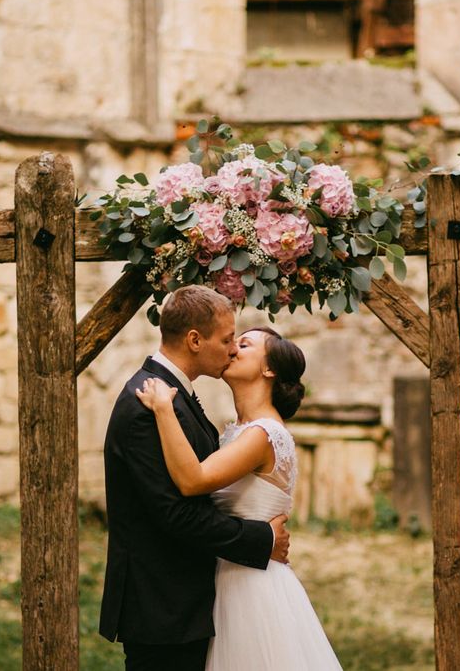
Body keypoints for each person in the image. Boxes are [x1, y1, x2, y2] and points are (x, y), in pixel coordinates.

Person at [99, 285, 290, 671]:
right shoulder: (146, 406)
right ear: (194, 340)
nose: (233, 348)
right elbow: (175, 514)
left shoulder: (174, 398)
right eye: (227, 339)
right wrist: (261, 538)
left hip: (188, 605)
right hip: (162, 608)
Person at [136, 324, 343, 670]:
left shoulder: (262, 435)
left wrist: (163, 410)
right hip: (230, 573)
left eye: (243, 344)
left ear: (269, 369)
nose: (232, 349)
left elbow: (193, 480)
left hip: (251, 586)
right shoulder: (237, 431)